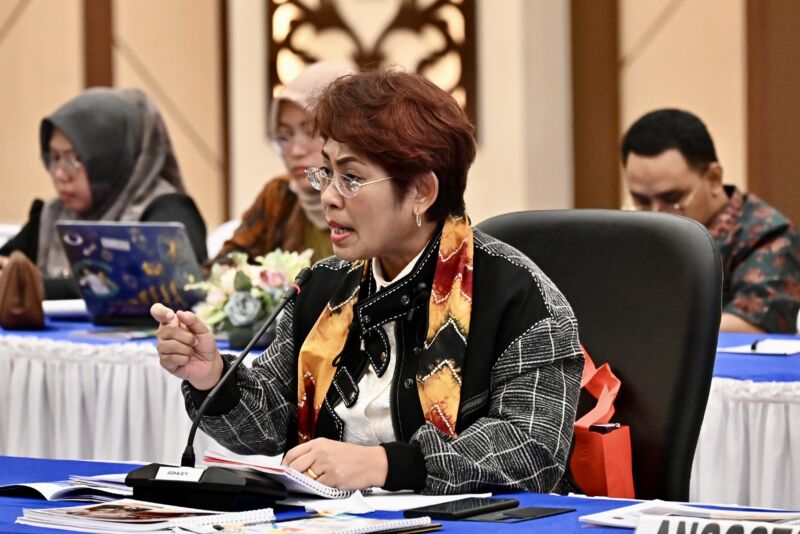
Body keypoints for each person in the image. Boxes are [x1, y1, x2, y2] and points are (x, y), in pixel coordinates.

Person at [153, 70, 583, 495]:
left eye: (351, 178)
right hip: (330, 520)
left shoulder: (519, 298)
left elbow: (532, 450)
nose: (328, 196)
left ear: (421, 191)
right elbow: (270, 422)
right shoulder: (325, 287)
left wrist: (385, 465)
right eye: (326, 172)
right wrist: (212, 376)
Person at [0, 87, 208, 300]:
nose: (60, 174)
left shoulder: (168, 213)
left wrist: (30, 287)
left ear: (113, 160)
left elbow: (142, 285)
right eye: (55, 157)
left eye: (74, 159)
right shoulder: (54, 215)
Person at [621, 108, 800, 333]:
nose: (655, 216)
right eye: (642, 201)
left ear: (714, 178)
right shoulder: (632, 232)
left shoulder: (767, 235)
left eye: (672, 199)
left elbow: (755, 324)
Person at [211, 62, 354, 265]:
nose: (296, 151)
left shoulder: (370, 197)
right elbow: (225, 265)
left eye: (312, 132)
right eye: (284, 135)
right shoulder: (280, 196)